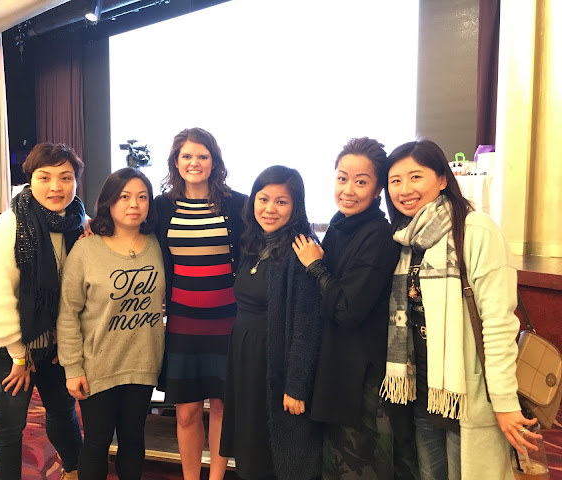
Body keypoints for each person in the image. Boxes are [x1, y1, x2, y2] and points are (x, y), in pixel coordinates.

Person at [379, 140, 541, 479]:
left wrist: (504, 401)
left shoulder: (475, 229)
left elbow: (497, 323)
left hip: (466, 388)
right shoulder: (405, 239)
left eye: (415, 177)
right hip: (424, 387)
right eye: (395, 180)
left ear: (442, 180)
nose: (404, 189)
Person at [292, 137, 417, 479]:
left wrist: (315, 267)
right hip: (339, 370)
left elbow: (347, 309)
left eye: (361, 182)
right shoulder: (340, 225)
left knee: (360, 467)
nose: (348, 189)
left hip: (363, 382)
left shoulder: (377, 236)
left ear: (378, 190)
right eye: (342, 178)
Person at [0, 143, 84, 480]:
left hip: (51, 338)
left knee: (62, 410)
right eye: (45, 177)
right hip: (3, 343)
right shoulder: (11, 226)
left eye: (65, 177)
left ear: (76, 181)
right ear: (30, 180)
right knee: (9, 424)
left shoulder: (78, 223)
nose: (56, 187)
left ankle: (76, 472)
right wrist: (20, 357)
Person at [57, 167, 165, 480]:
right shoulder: (86, 249)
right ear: (109, 202)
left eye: (142, 197)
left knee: (133, 439)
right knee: (97, 441)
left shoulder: (158, 245)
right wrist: (72, 368)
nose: (134, 204)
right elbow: (68, 313)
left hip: (142, 363)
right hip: (98, 365)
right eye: (125, 196)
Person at [154, 127, 247, 480]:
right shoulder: (162, 206)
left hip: (228, 323)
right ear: (176, 162)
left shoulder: (238, 204)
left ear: (214, 161)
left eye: (202, 156)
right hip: (183, 324)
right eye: (187, 156)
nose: (195, 163)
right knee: (186, 412)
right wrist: (89, 224)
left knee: (223, 408)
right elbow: (124, 223)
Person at [220, 165, 323, 480]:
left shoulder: (300, 250)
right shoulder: (252, 243)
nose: (270, 209)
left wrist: (296, 385)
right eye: (263, 199)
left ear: (295, 206)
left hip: (274, 362)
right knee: (249, 445)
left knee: (274, 453)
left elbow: (307, 325)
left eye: (281, 201)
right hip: (245, 358)